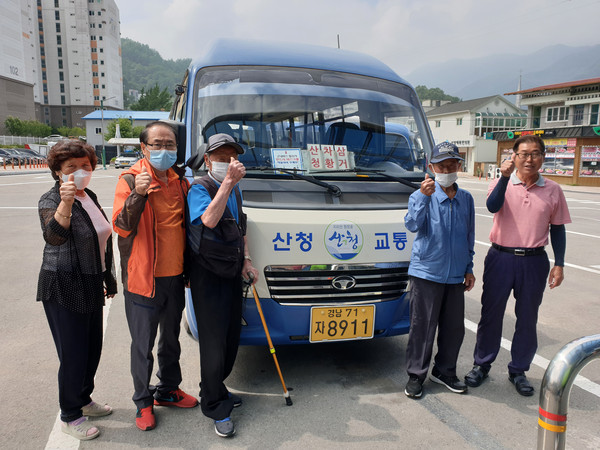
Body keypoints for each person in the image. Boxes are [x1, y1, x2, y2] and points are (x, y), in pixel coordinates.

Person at [465, 135, 571, 396]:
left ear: (542, 158)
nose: (529, 159)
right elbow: (492, 206)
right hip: (501, 258)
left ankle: (518, 370)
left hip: (534, 261)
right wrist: (503, 177)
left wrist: (559, 263)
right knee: (491, 314)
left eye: (535, 154)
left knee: (527, 317)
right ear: (513, 156)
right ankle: (482, 364)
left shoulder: (553, 190)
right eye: (523, 154)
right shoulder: (501, 183)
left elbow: (557, 229)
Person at [112, 121, 196, 431]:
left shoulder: (180, 182)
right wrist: (139, 195)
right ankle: (143, 402)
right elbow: (121, 226)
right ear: (144, 148)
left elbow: (186, 230)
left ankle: (168, 390)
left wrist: (188, 270)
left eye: (170, 144)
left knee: (171, 339)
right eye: (157, 144)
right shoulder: (130, 179)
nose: (164, 149)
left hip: (174, 277)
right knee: (142, 344)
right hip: (143, 280)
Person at [38, 140, 117, 440]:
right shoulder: (50, 199)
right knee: (73, 353)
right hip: (63, 283)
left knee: (91, 348)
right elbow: (54, 238)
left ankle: (83, 397)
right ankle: (70, 414)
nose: (80, 172)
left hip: (90, 279)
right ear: (58, 171)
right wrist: (66, 204)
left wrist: (107, 278)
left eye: (86, 166)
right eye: (71, 167)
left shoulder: (90, 195)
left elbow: (101, 240)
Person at [186, 133, 259, 438]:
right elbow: (209, 221)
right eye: (221, 157)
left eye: (233, 157)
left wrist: (246, 260)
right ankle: (215, 406)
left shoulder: (236, 190)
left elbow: (240, 226)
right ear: (207, 160)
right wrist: (227, 182)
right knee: (214, 343)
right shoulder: (199, 187)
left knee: (231, 338)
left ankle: (215, 388)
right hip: (207, 275)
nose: (228, 162)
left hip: (231, 270)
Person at [403, 141, 475, 399]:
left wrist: (469, 268)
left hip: (455, 275)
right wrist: (423, 196)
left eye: (452, 164)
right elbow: (412, 225)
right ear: (430, 167)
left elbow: (469, 235)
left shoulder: (465, 198)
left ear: (458, 166)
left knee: (454, 328)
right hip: (426, 273)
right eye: (442, 165)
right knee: (422, 327)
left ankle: (444, 371)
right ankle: (416, 375)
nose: (447, 169)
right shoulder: (421, 195)